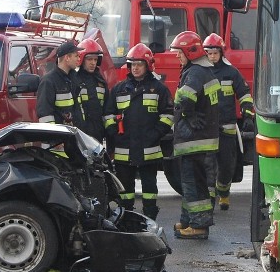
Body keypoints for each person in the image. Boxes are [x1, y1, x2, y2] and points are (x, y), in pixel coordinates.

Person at [103, 43, 173, 220]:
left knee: (150, 186)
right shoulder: (119, 89)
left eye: (139, 64)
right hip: (123, 148)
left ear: (148, 65)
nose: (135, 68)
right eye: (132, 64)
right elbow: (109, 114)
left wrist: (156, 134)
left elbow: (168, 115)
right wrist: (113, 132)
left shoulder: (159, 89)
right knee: (125, 188)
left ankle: (150, 215)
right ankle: (126, 216)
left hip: (149, 149)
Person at [170, 30, 220, 240]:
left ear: (189, 52)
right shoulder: (203, 71)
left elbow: (185, 99)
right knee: (191, 182)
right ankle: (189, 219)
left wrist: (185, 113)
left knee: (193, 183)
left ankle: (198, 226)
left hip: (194, 139)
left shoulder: (196, 72)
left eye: (179, 52)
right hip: (201, 138)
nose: (176, 56)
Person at [202, 33, 254, 211]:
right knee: (208, 165)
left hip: (227, 128)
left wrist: (247, 116)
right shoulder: (201, 72)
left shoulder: (231, 72)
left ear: (221, 53)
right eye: (209, 53)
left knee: (226, 165)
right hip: (207, 128)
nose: (212, 56)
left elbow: (245, 94)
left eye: (215, 53)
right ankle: (209, 199)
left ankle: (223, 193)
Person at [36, 41, 82, 126]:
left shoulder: (74, 78)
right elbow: (45, 116)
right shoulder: (48, 81)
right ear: (67, 57)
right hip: (59, 137)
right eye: (76, 56)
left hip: (74, 135)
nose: (79, 59)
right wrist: (55, 137)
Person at [75, 39, 108, 142]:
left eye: (95, 59)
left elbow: (107, 109)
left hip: (97, 133)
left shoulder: (101, 82)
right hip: (79, 133)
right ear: (82, 59)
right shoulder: (74, 80)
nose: (93, 63)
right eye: (89, 59)